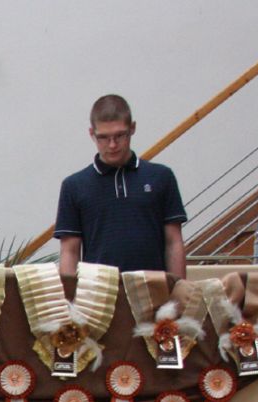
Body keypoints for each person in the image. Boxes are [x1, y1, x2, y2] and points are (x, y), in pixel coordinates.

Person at [55, 95, 187, 275]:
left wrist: (178, 287)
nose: (112, 145)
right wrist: (69, 292)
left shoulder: (162, 177)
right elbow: (70, 251)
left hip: (153, 288)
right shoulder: (74, 186)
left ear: (132, 128)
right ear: (91, 134)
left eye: (119, 135)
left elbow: (174, 242)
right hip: (98, 290)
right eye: (103, 137)